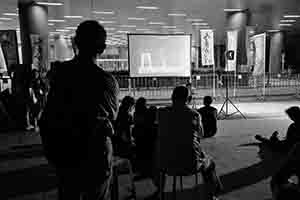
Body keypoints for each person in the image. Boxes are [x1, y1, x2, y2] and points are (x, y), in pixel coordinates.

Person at [39, 20, 119, 200]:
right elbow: (112, 115)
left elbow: (49, 115)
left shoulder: (59, 75)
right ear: (102, 48)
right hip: (95, 156)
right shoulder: (106, 81)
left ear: (75, 42)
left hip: (66, 154)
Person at [148, 86, 222, 200]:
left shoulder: (161, 113)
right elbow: (201, 134)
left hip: (165, 164)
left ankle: (159, 190)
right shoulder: (195, 115)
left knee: (157, 154)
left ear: (172, 97)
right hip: (190, 164)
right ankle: (212, 195)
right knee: (210, 164)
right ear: (189, 99)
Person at [114, 96, 135, 160]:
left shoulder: (116, 113)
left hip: (116, 140)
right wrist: (131, 142)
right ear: (130, 105)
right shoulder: (128, 116)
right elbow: (128, 131)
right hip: (124, 142)